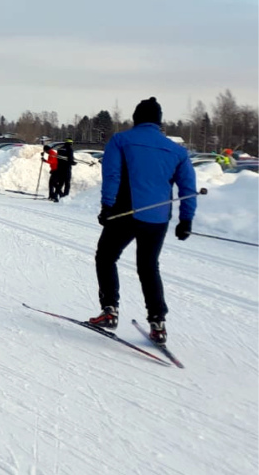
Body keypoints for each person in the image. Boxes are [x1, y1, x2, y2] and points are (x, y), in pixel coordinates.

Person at [88, 97, 197, 344]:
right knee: (148, 267)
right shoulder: (177, 150)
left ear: (136, 118)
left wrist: (107, 205)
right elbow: (188, 188)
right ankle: (158, 323)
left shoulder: (121, 140)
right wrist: (186, 219)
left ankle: (109, 311)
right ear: (159, 121)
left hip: (124, 212)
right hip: (157, 217)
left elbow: (112, 174)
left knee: (106, 257)